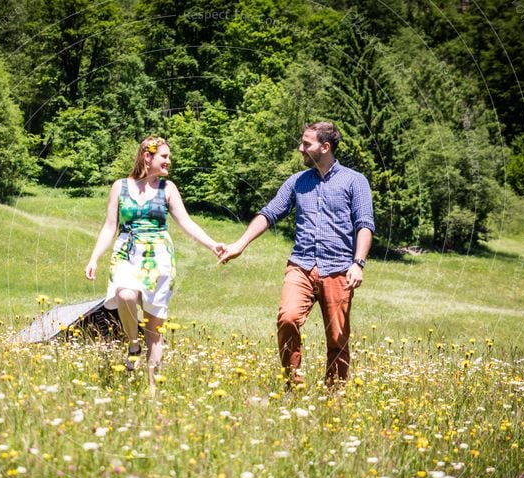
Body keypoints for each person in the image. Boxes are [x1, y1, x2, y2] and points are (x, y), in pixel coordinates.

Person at [218, 122, 375, 390]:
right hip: (301, 265)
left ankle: (333, 396)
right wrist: (240, 244)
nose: (300, 148)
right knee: (287, 318)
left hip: (339, 268)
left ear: (325, 147)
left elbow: (365, 224)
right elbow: (270, 212)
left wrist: (358, 263)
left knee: (337, 336)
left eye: (306, 144)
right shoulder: (297, 181)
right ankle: (292, 384)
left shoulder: (354, 180)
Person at [86, 136, 224, 386]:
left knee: (154, 330)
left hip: (158, 257)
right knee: (124, 295)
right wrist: (94, 257)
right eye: (164, 156)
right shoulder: (120, 186)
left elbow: (186, 222)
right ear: (147, 157)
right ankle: (132, 343)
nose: (169, 161)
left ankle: (152, 391)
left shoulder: (167, 188)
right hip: (126, 252)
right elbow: (109, 226)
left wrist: (212, 244)